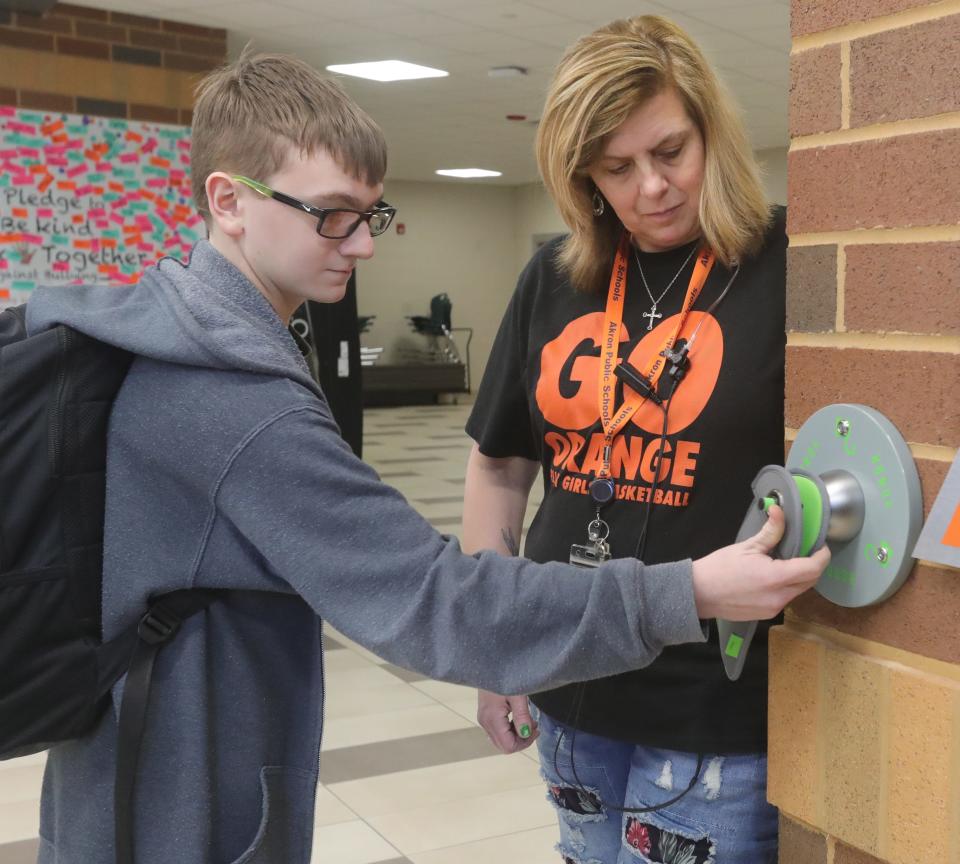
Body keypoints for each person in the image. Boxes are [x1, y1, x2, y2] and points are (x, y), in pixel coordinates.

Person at [26, 49, 827, 864]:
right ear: (228, 202)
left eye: (367, 214)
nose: (363, 245)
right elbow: (434, 598)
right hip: (172, 809)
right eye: (331, 214)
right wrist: (689, 590)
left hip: (152, 780)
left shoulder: (169, 325)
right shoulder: (231, 401)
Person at [464, 15, 799, 864]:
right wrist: (493, 643)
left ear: (712, 134)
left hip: (713, 705)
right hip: (569, 679)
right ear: (582, 178)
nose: (651, 187)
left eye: (670, 151)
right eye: (617, 168)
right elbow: (500, 464)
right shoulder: (554, 277)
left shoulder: (787, 263)